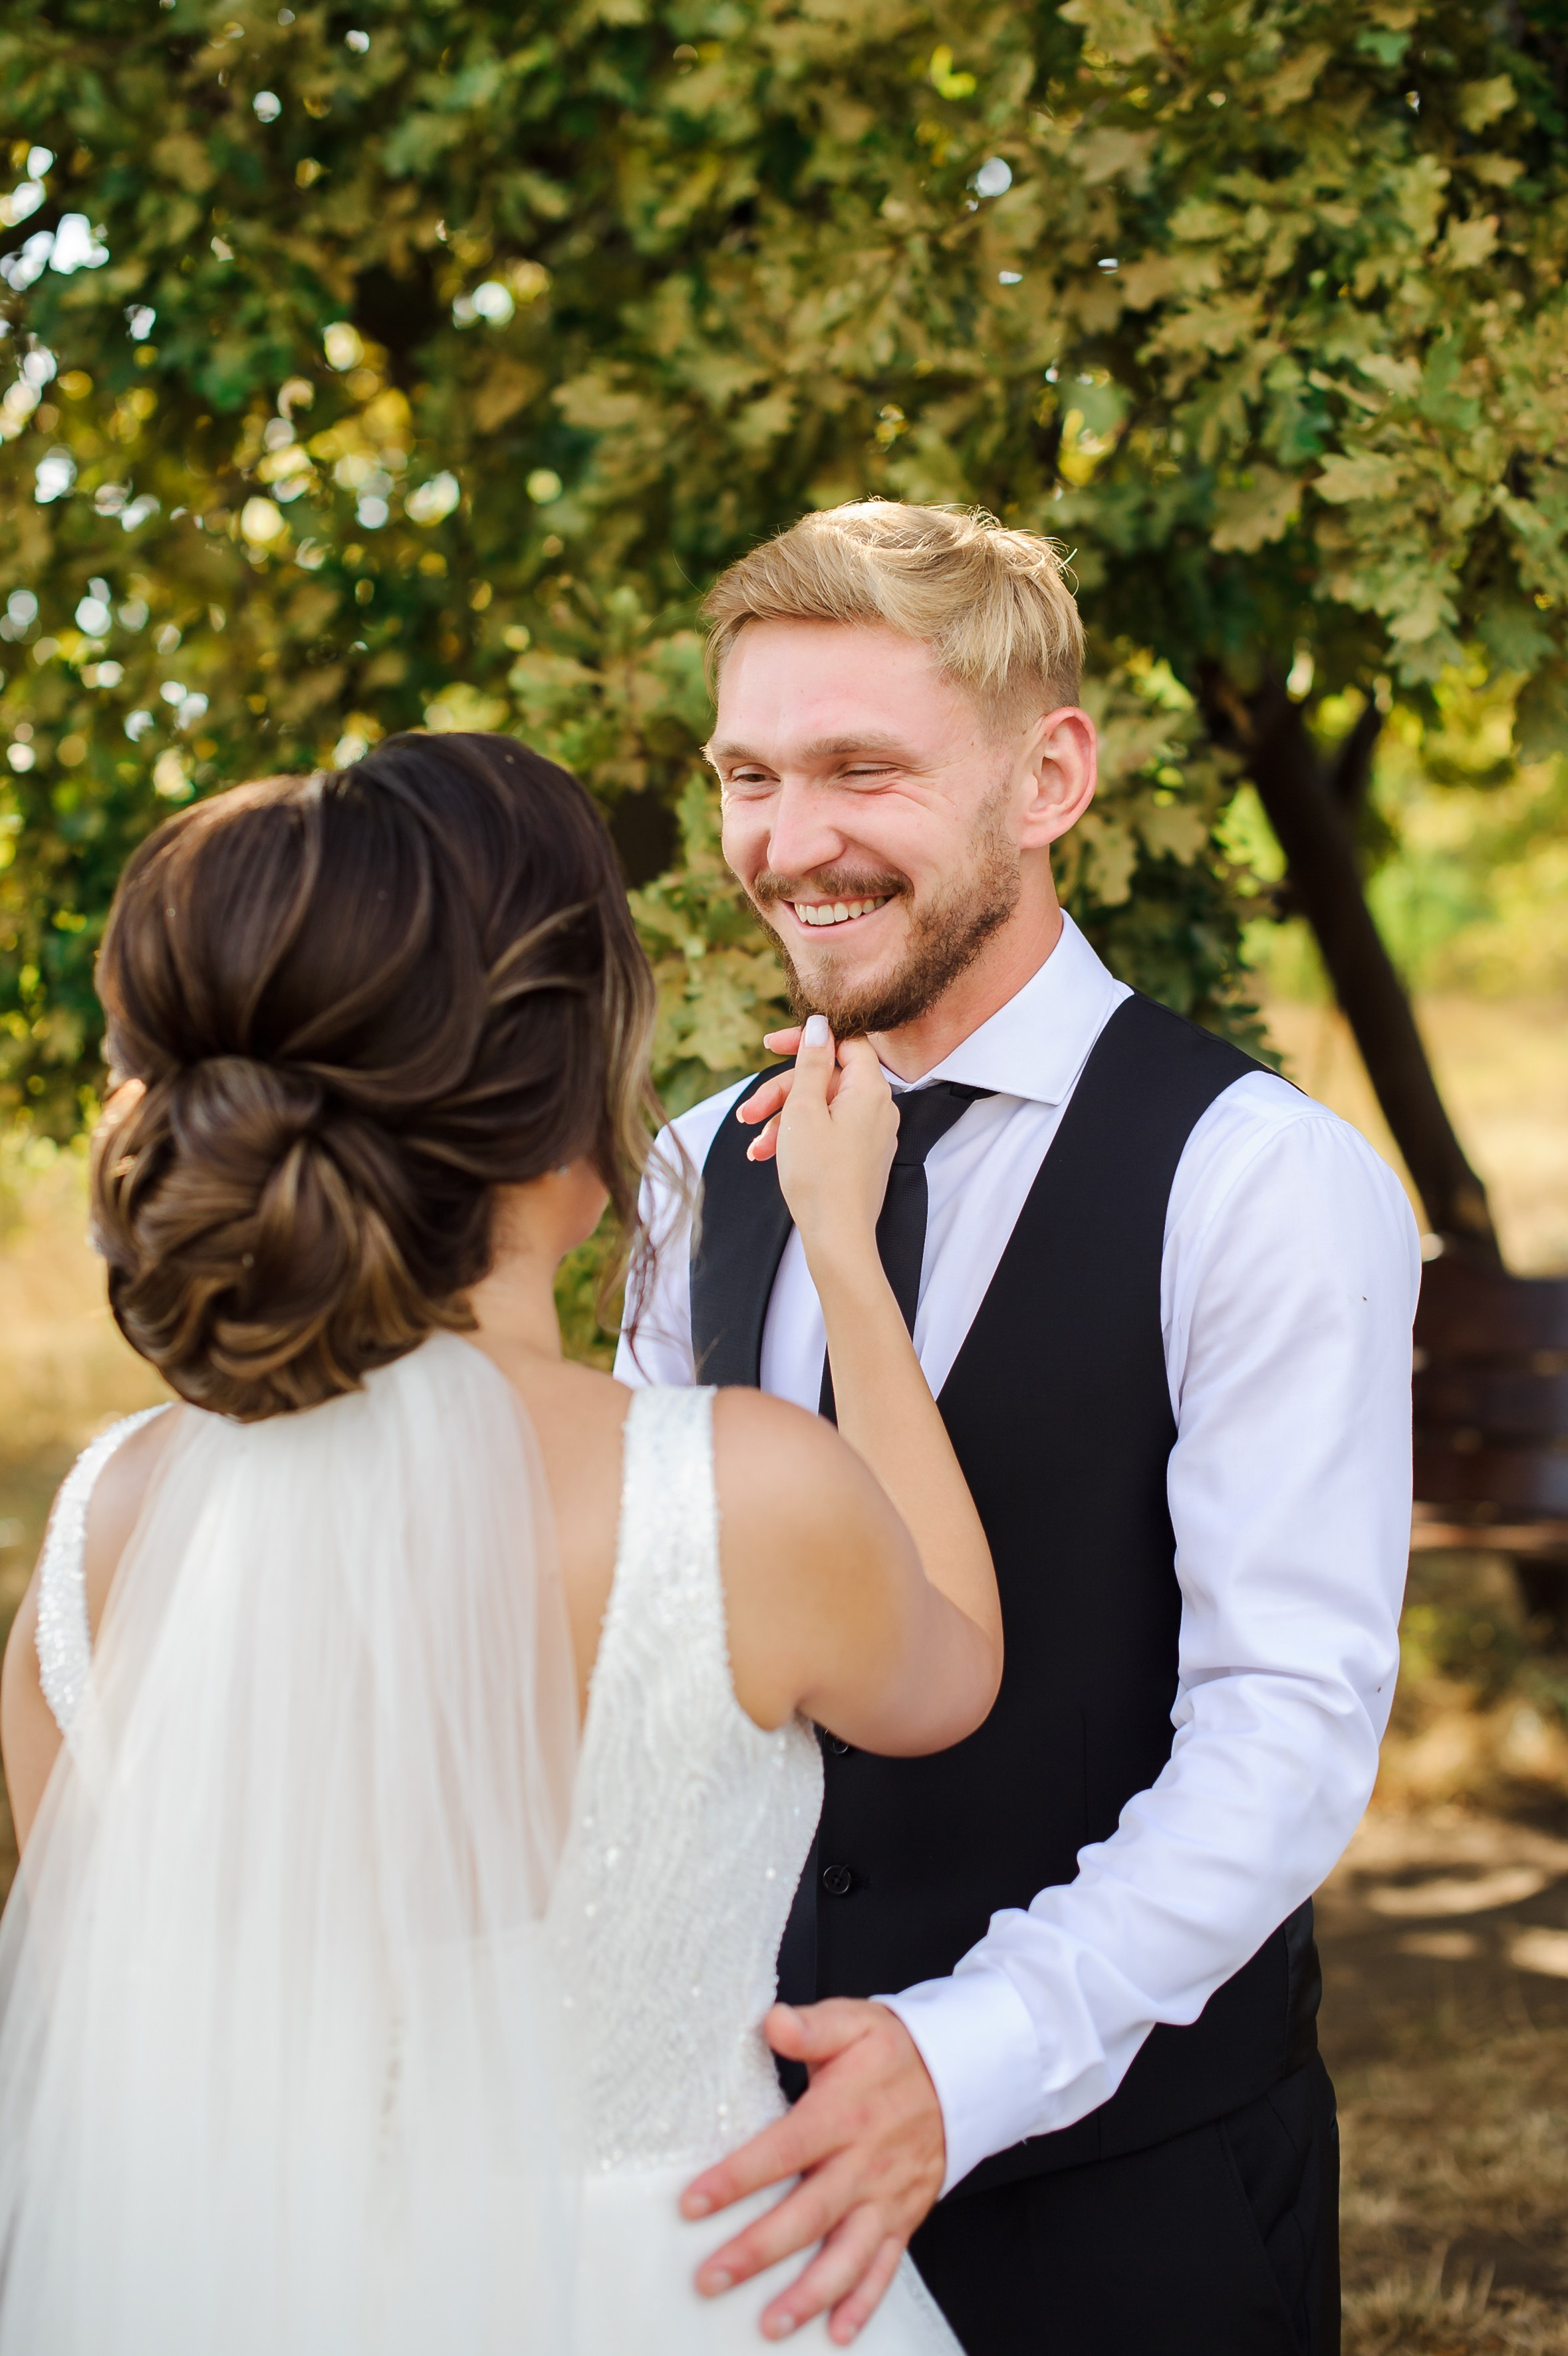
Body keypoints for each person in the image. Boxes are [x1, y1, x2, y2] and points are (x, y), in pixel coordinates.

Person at [0, 731, 1004, 2354]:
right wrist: (844, 1245)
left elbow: (108, 2019)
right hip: (696, 2295)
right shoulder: (739, 1494)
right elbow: (954, 1655)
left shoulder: (107, 1526)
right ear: (572, 1101)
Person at [617, 501, 1420, 2355]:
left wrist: (959, 2058)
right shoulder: (693, 1169)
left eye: (858, 770)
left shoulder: (1260, 1184)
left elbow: (1280, 1732)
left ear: (1047, 775)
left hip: (1126, 2211)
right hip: (742, 2202)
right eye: (746, 773)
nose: (784, 842)